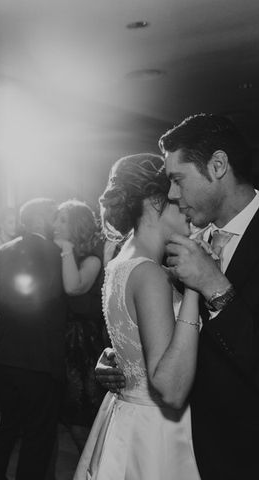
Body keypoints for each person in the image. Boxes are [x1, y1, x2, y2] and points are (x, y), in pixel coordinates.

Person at [98, 114, 259, 479]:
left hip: (253, 459)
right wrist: (122, 359)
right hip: (181, 451)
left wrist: (217, 289)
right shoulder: (185, 244)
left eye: (178, 180)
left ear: (218, 166)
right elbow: (170, 337)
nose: (173, 194)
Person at [74, 154, 201, 480]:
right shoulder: (150, 274)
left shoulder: (121, 261)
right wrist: (195, 287)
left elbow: (130, 342)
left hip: (127, 414)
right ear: (156, 199)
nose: (185, 202)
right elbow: (169, 382)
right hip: (157, 428)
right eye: (177, 193)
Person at [0, 198, 67, 480]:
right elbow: (57, 299)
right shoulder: (57, 254)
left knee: (5, 425)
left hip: (4, 354)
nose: (58, 224)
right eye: (55, 217)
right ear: (42, 220)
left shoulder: (5, 250)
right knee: (37, 435)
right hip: (40, 356)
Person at [52, 200, 108, 453]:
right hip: (66, 341)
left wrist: (65, 249)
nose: (55, 225)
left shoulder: (93, 254)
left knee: (84, 415)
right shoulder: (71, 253)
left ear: (77, 224)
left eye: (62, 220)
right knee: (71, 416)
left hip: (87, 344)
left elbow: (75, 287)